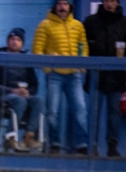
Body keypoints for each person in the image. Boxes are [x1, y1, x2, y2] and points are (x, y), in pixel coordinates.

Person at [33, 0, 90, 154]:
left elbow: (83, 46)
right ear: (55, 6)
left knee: (80, 110)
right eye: (59, 4)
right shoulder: (45, 25)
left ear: (70, 7)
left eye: (65, 4)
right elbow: (37, 50)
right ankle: (55, 143)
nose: (62, 7)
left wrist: (81, 66)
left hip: (74, 75)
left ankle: (82, 144)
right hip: (55, 75)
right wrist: (48, 69)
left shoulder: (78, 25)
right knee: (52, 111)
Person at [84, 0, 126, 158]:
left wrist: (124, 48)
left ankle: (112, 146)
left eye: (113, 0)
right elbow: (84, 45)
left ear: (117, 3)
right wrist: (95, 46)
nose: (109, 3)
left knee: (114, 113)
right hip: (96, 75)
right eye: (107, 0)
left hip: (116, 75)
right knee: (94, 113)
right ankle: (92, 147)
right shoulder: (91, 21)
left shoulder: (125, 22)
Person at [0, 28, 45, 151]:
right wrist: (12, 90)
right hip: (1, 94)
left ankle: (29, 135)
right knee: (20, 101)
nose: (15, 42)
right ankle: (10, 137)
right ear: (7, 41)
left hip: (21, 95)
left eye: (18, 40)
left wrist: (29, 92)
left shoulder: (26, 61)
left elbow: (34, 84)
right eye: (12, 39)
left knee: (38, 101)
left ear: (22, 43)